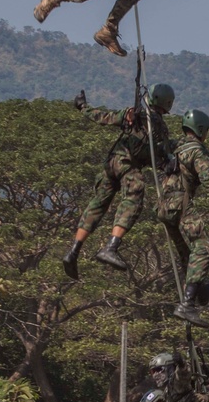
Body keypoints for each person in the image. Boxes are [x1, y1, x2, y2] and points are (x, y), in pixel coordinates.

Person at [63, 83, 175, 278]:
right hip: (126, 163)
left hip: (112, 163)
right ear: (167, 104)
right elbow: (159, 158)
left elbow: (103, 117)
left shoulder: (140, 117)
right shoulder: (146, 121)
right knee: (135, 193)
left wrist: (82, 106)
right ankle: (111, 247)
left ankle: (74, 251)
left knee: (98, 204)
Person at [156, 109, 209, 324]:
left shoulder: (175, 147)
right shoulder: (197, 150)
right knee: (203, 250)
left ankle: (200, 290)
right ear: (201, 130)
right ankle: (187, 304)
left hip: (164, 208)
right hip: (180, 205)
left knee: (187, 255)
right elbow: (205, 172)